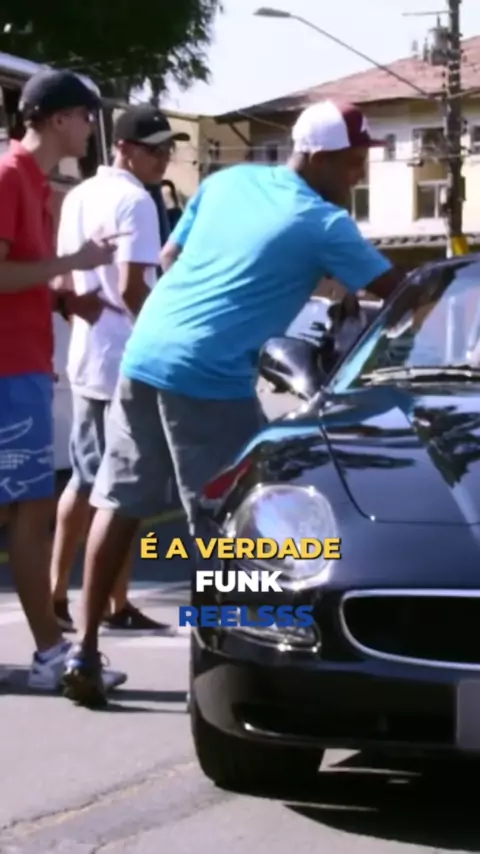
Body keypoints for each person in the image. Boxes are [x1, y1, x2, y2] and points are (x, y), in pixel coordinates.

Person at [62, 99, 402, 708]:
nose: (359, 175)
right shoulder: (324, 224)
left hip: (145, 352)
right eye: (353, 163)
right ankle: (218, 681)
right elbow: (402, 297)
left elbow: (170, 259)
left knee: (118, 500)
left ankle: (82, 653)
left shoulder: (228, 182)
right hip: (209, 376)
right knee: (229, 528)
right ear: (318, 157)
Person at [0, 68, 127, 691]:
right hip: (8, 370)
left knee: (25, 511)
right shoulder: (8, 175)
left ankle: (51, 651)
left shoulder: (32, 181)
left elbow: (20, 274)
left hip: (21, 366)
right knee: (31, 513)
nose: (89, 128)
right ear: (56, 119)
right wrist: (75, 262)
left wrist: (63, 299)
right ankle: (53, 655)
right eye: (84, 116)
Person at [49, 106, 189, 637]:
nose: (164, 159)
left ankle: (59, 593)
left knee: (85, 479)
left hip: (88, 354)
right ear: (124, 148)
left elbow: (66, 281)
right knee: (123, 489)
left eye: (168, 149)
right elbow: (134, 289)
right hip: (128, 358)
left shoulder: (80, 195)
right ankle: (113, 602)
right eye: (154, 149)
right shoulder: (137, 201)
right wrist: (168, 342)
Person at [328, 292, 369, 358]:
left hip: (352, 350)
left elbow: (363, 330)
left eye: (351, 301)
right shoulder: (340, 317)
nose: (349, 304)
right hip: (340, 350)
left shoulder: (360, 315)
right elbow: (334, 333)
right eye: (347, 301)